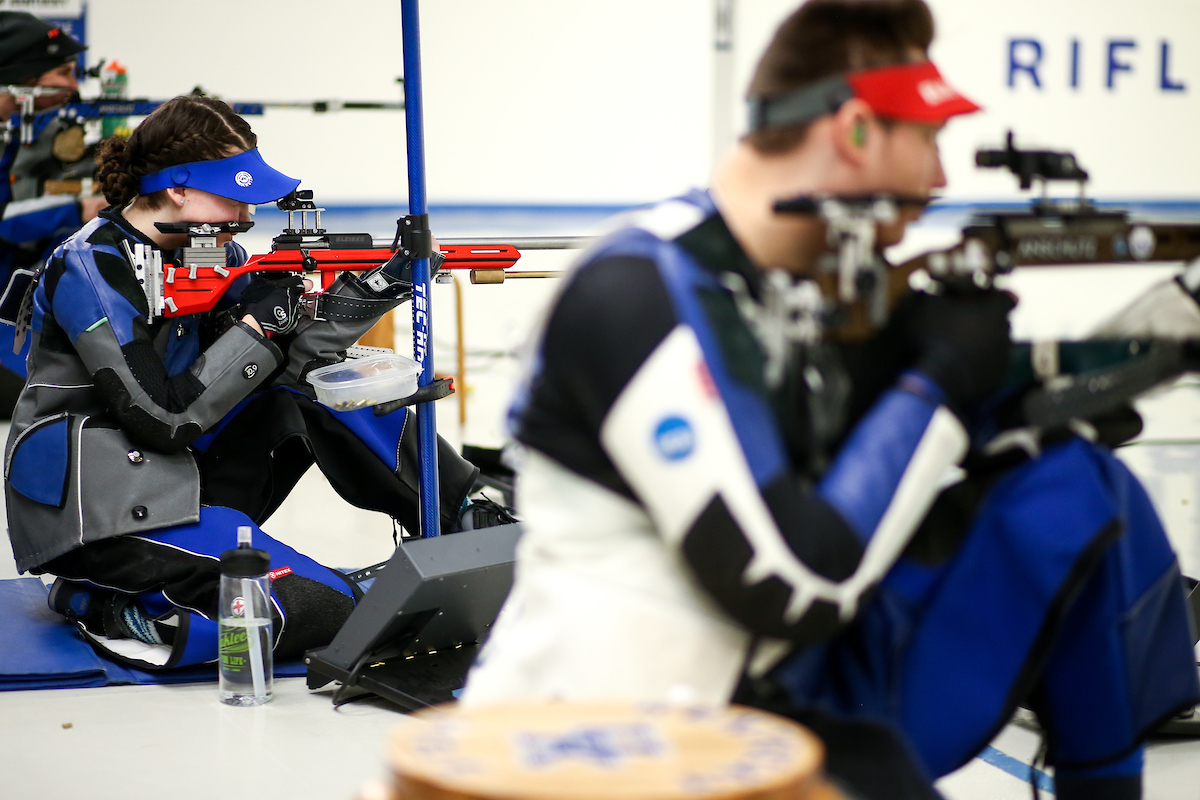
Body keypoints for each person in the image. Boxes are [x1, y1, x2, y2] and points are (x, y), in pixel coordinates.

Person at [458, 2, 1199, 798]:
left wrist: (1068, 385)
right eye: (929, 139)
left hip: (771, 687)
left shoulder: (798, 288)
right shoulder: (636, 290)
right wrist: (939, 387)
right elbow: (793, 580)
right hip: (616, 735)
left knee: (1079, 490)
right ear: (854, 130)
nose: (940, 180)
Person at [4, 93, 490, 671]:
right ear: (178, 189)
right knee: (319, 607)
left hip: (176, 479)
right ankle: (101, 600)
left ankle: (469, 518)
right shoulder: (91, 265)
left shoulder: (213, 252)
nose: (244, 216)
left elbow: (295, 363)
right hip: (100, 508)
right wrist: (258, 326)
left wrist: (372, 289)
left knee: (325, 385)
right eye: (234, 196)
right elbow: (161, 417)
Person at [0, 11, 107, 413]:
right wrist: (76, 208)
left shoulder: (15, 132)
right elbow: (5, 221)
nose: (73, 86)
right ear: (22, 79)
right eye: (63, 73)